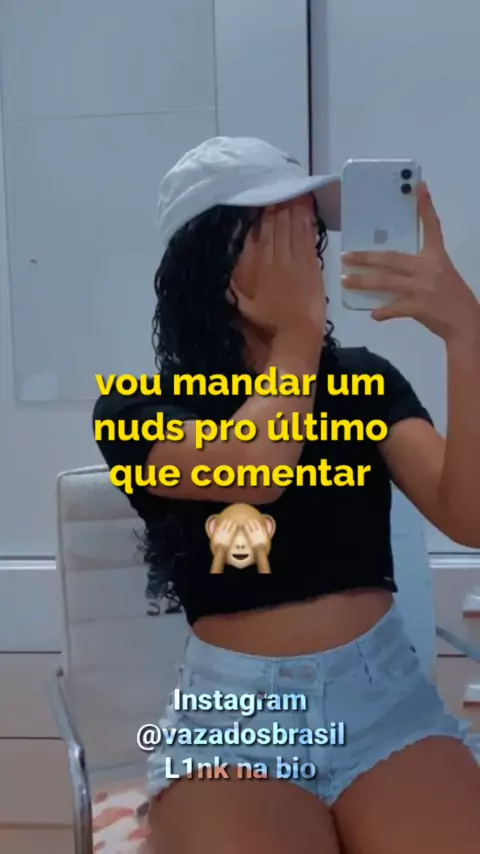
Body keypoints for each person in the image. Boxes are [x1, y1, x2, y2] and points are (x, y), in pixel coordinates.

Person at [93, 137, 480, 854]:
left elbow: (471, 517)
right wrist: (297, 335)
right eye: (276, 230)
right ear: (209, 256)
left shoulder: (363, 380)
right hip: (234, 725)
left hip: (384, 701)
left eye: (310, 228)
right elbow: (254, 470)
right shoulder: (137, 408)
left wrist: (468, 333)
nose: (307, 249)